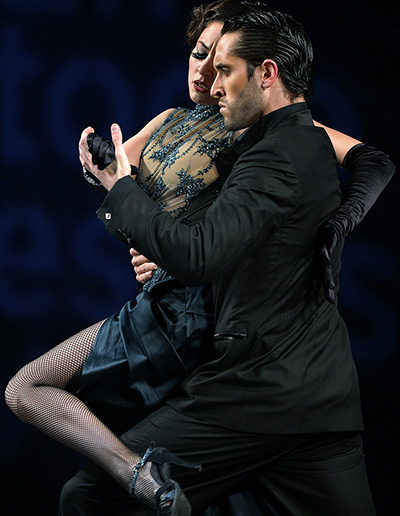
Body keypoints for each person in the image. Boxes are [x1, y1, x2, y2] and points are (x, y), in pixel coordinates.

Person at [5, 2, 394, 515]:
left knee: (82, 482)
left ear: (264, 73)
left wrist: (341, 221)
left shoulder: (275, 140)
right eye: (200, 55)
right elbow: (130, 180)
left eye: (222, 65)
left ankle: (137, 474)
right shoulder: (185, 122)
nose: (207, 74)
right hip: (294, 383)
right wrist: (111, 180)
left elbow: (202, 246)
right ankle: (135, 472)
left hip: (233, 355)